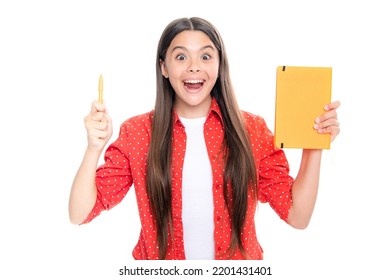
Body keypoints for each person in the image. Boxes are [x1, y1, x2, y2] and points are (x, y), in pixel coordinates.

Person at [68, 17, 341, 260]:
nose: (194, 67)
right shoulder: (137, 132)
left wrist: (315, 143)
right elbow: (79, 213)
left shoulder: (252, 130)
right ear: (164, 67)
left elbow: (298, 216)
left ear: (219, 65)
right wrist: (93, 148)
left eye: (206, 57)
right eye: (181, 57)